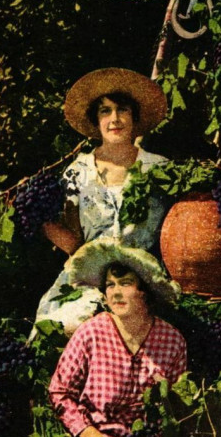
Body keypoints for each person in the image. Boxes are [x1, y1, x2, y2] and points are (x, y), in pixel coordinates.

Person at [34, 68, 170, 336]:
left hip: (144, 283)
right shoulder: (77, 172)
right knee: (61, 328)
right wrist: (39, 217)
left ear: (134, 116)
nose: (115, 119)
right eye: (105, 111)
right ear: (96, 121)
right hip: (90, 281)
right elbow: (74, 242)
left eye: (122, 110)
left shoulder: (159, 168)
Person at [49, 238, 185, 437]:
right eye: (110, 285)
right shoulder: (92, 333)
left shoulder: (172, 341)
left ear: (145, 290)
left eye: (125, 284)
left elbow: (175, 410)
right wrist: (90, 436)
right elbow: (59, 393)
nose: (115, 293)